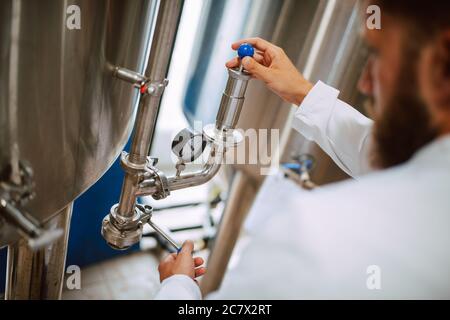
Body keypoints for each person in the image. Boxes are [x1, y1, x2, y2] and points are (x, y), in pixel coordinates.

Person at [155, 0, 450, 299]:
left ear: (441, 62)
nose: (363, 84)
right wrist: (303, 92)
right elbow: (369, 146)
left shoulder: (312, 235)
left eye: (376, 53)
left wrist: (177, 285)